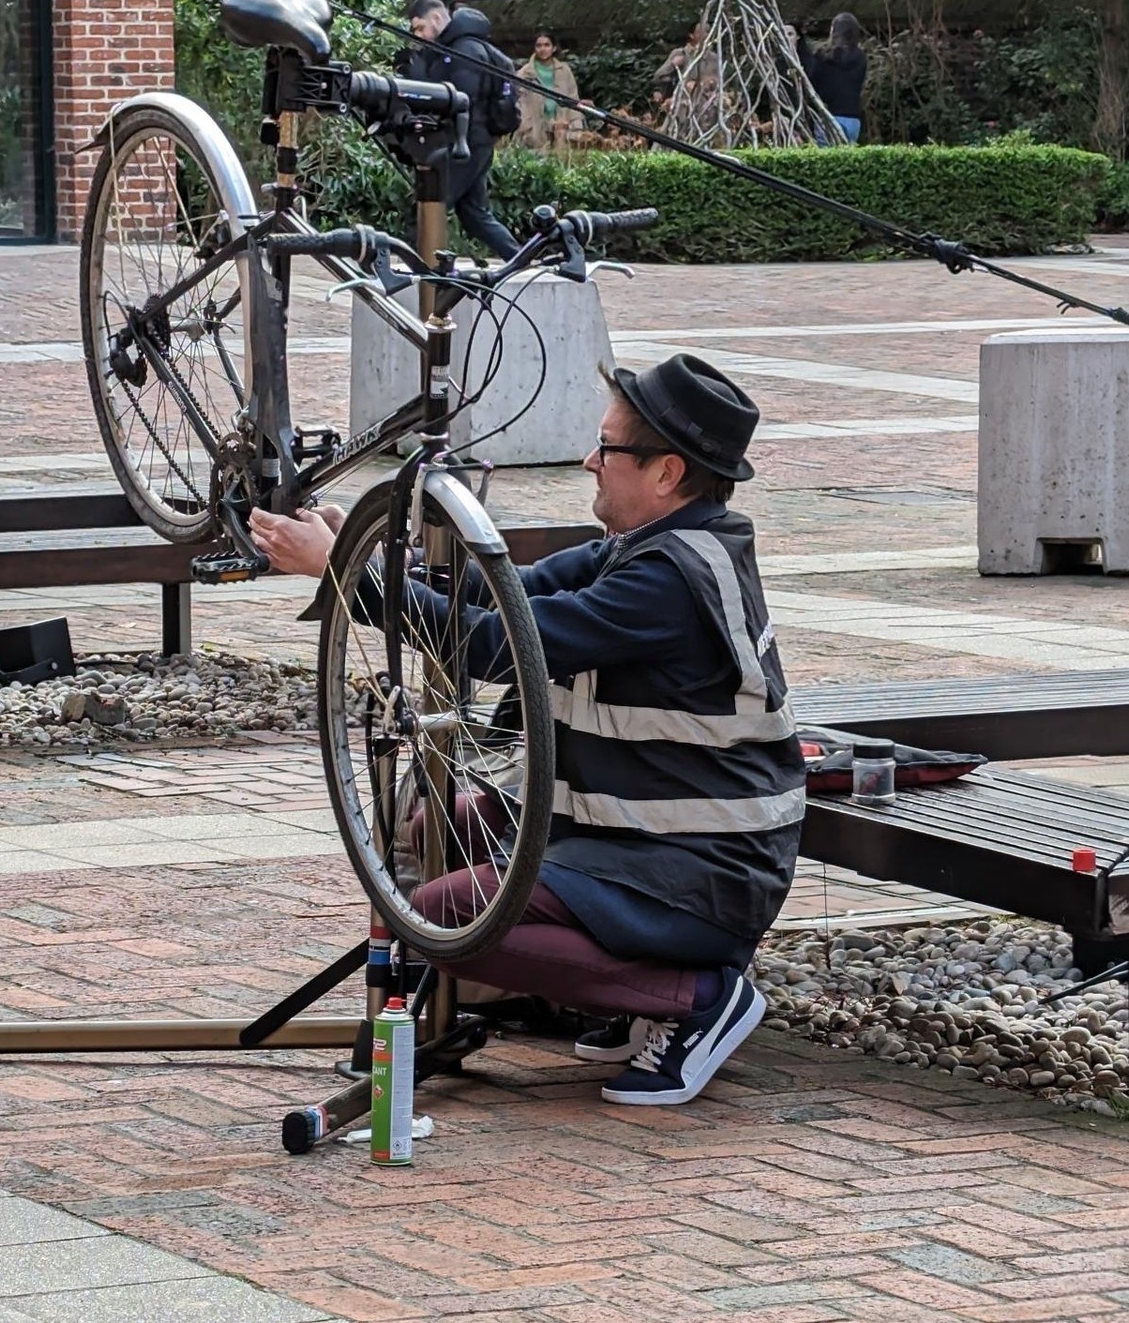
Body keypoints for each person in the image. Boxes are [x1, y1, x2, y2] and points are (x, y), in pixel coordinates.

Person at [249, 355, 806, 1107]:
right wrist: (372, 555)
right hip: (643, 838)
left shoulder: (666, 581)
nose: (588, 461)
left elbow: (498, 645)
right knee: (441, 826)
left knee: (445, 913)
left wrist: (347, 578)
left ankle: (695, 996)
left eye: (606, 448)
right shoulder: (646, 546)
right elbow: (500, 593)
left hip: (699, 873)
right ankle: (634, 995)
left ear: (667, 472)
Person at [403, 0, 520, 261]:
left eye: (420, 27)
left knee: (427, 209)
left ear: (436, 18)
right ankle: (520, 260)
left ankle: (419, 277)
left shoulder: (461, 52)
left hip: (464, 144)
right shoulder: (460, 48)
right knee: (475, 216)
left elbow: (458, 100)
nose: (419, 35)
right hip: (474, 143)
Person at [797, 12, 867, 145]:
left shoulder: (823, 56)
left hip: (829, 114)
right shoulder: (860, 57)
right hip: (853, 116)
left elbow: (812, 82)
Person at [516, 31, 584, 151]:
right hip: (536, 127)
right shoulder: (525, 73)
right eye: (539, 45)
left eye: (547, 45)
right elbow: (519, 101)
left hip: (562, 125)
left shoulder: (564, 71)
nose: (543, 49)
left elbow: (573, 98)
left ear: (554, 48)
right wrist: (526, 127)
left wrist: (576, 125)